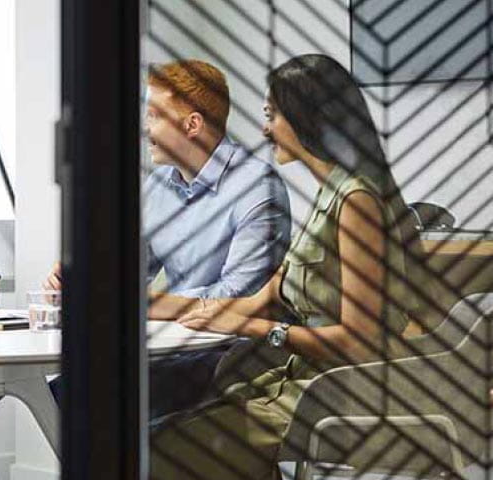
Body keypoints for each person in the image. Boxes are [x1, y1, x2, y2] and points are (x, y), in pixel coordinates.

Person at [146, 54, 457, 479]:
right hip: (304, 381)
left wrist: (261, 330)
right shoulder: (330, 196)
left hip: (342, 393)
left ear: (306, 117)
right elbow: (262, 297)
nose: (264, 128)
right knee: (168, 429)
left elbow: (362, 342)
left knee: (159, 448)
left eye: (272, 115)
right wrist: (198, 312)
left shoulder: (357, 203)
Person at [46, 59, 293, 419]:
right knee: (64, 387)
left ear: (192, 124)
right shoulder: (158, 184)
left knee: (81, 393)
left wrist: (142, 304)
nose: (145, 129)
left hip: (230, 355)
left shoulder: (259, 187)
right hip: (171, 346)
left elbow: (239, 296)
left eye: (154, 116)